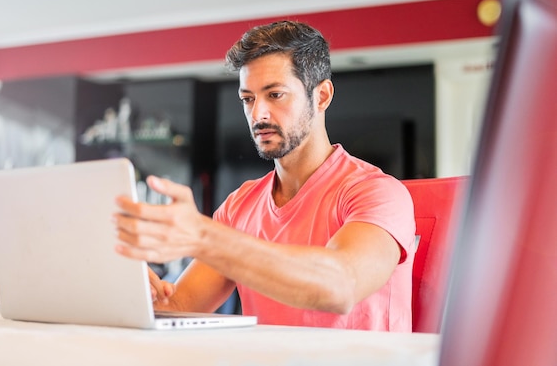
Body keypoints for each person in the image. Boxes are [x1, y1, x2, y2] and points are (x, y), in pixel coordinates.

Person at [113, 20, 416, 331]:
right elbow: (178, 306)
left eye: (275, 95)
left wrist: (204, 236)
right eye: (248, 99)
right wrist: (136, 290)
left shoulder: (376, 192)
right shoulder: (239, 206)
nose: (258, 114)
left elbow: (341, 286)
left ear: (322, 96)